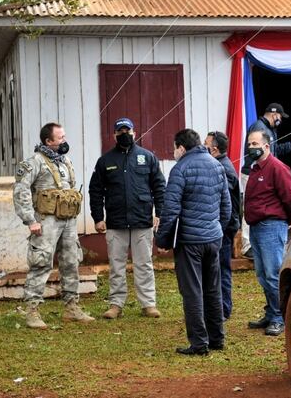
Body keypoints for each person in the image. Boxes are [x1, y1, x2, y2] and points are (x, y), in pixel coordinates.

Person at [154, 129, 231, 356]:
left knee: (192, 292)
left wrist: (163, 241)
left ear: (181, 147)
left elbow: (171, 210)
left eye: (174, 147)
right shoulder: (217, 165)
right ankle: (217, 338)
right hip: (213, 238)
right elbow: (226, 206)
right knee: (212, 289)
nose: (173, 152)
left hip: (189, 241)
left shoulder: (180, 169)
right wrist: (217, 229)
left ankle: (199, 343)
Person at [13, 122, 94, 329]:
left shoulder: (65, 161)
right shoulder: (34, 163)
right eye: (60, 138)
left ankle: (71, 307)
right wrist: (30, 220)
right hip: (45, 221)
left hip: (68, 220)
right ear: (49, 141)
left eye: (64, 136)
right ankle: (32, 310)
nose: (65, 141)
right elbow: (21, 191)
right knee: (41, 263)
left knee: (71, 261)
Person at [88, 117, 166, 320]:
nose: (124, 134)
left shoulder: (147, 157)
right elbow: (95, 191)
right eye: (120, 131)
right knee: (116, 265)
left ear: (134, 132)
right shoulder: (105, 161)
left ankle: (148, 304)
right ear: (114, 135)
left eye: (127, 131)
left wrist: (160, 213)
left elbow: (159, 187)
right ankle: (116, 304)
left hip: (142, 221)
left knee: (144, 264)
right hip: (115, 222)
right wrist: (98, 217)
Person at [244, 130, 291, 336]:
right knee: (262, 274)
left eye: (255, 143)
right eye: (249, 144)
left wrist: (287, 219)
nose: (251, 147)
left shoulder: (277, 168)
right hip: (256, 227)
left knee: (273, 274)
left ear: (267, 146)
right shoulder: (255, 168)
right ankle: (270, 312)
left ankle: (280, 317)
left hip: (271, 226)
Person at [239, 102, 291, 258]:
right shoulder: (259, 128)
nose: (280, 120)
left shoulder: (270, 131)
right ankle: (247, 245)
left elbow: (273, 152)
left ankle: (254, 244)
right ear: (275, 114)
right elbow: (256, 153)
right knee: (251, 204)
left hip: (264, 172)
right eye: (280, 116)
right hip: (253, 172)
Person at [205, 130, 240, 320]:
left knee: (221, 268)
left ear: (214, 149)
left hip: (224, 227)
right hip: (220, 225)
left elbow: (222, 202)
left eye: (206, 144)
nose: (203, 147)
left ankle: (224, 309)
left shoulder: (224, 168)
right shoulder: (218, 165)